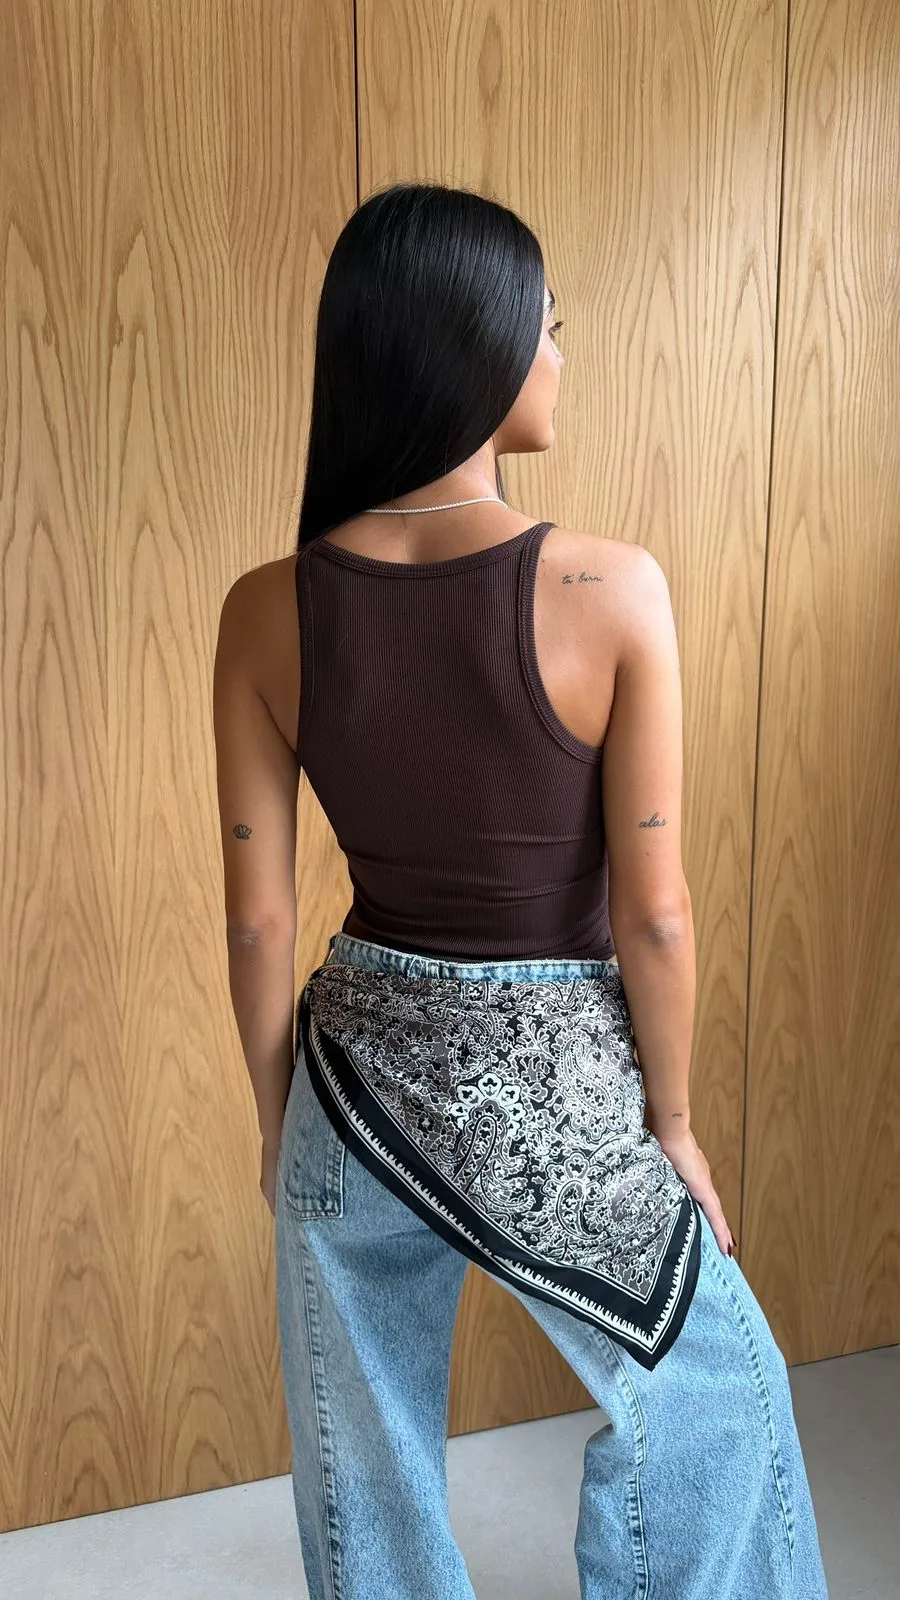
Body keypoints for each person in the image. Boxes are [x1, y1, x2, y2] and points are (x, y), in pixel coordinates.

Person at [213, 183, 829, 1599]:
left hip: (350, 1082)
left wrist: (278, 1122)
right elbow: (656, 915)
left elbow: (257, 916)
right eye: (548, 324)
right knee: (716, 1397)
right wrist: (673, 1128)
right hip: (555, 1077)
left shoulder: (265, 607)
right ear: (479, 346)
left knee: (363, 1460)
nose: (559, 352)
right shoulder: (612, 588)